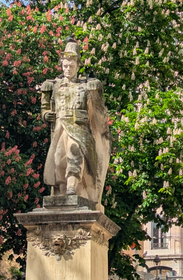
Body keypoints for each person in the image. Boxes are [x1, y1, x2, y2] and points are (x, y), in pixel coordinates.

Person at [41, 37, 112, 203]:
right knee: (59, 160)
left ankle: (72, 189)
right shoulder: (53, 85)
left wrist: (96, 92)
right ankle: (64, 191)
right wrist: (45, 115)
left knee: (74, 154)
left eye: (71, 66)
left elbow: (99, 111)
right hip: (61, 128)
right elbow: (45, 108)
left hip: (79, 130)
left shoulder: (86, 85)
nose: (67, 69)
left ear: (78, 66)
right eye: (65, 66)